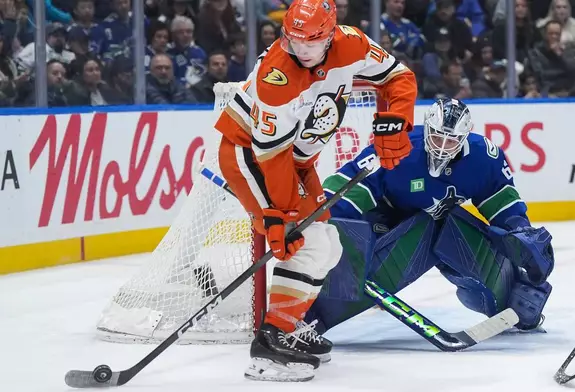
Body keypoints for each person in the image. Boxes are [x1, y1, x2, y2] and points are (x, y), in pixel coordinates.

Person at [212, 0, 417, 382]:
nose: (302, 49)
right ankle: (270, 347)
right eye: (295, 40)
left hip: (296, 163)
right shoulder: (277, 77)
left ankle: (285, 329)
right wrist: (280, 216)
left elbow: (398, 76)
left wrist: (397, 119)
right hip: (251, 158)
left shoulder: (352, 44)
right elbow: (269, 154)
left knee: (329, 245)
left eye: (313, 41)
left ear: (331, 34)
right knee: (308, 243)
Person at [304, 98, 554, 341]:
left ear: (465, 137)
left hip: (440, 223)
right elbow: (348, 185)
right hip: (387, 222)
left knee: (518, 300)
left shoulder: (484, 158)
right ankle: (311, 316)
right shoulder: (399, 147)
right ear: (427, 129)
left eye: (452, 140)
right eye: (437, 137)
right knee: (357, 265)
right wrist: (319, 217)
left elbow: (503, 204)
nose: (443, 146)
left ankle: (513, 303)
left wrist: (520, 232)